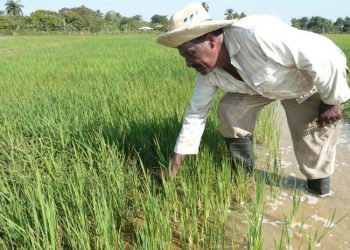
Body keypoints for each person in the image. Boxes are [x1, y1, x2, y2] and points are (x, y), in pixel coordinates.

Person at [156, 2, 350, 197]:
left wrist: (331, 100)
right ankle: (242, 176)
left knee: (313, 145)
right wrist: (175, 165)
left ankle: (319, 196)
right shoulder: (208, 73)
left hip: (306, 83)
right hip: (262, 87)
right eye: (184, 57)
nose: (188, 64)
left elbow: (326, 57)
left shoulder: (257, 33)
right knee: (230, 108)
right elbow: (196, 115)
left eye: (190, 54)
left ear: (210, 40)